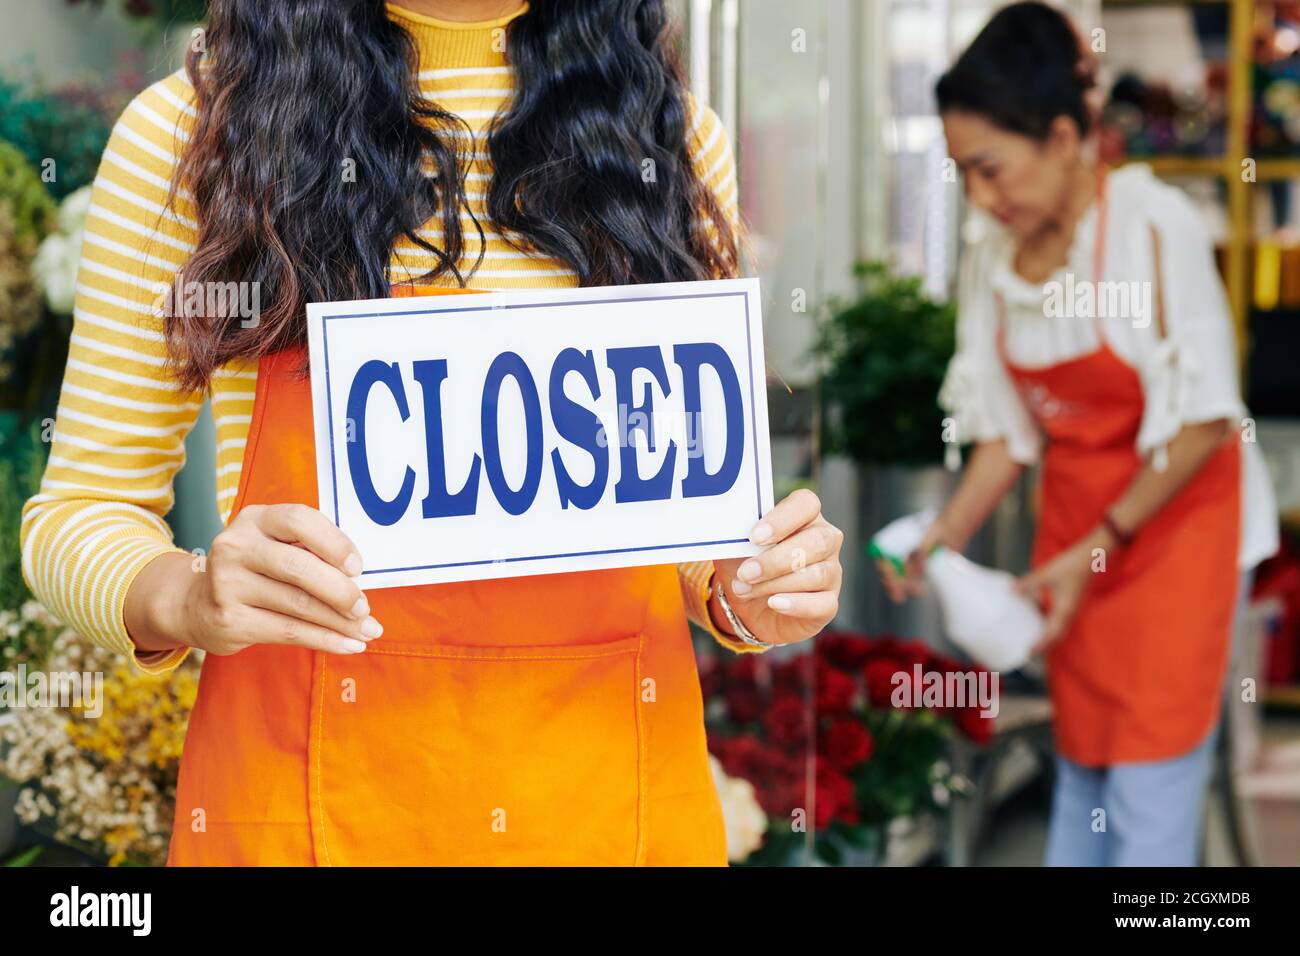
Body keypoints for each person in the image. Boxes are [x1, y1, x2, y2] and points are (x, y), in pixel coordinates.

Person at [19, 0, 844, 866]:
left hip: (617, 811)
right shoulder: (193, 132)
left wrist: (749, 589)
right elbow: (80, 512)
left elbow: (681, 532)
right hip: (293, 808)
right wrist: (185, 596)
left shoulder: (666, 137)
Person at [880, 1, 1277, 866]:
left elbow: (1205, 419)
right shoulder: (995, 256)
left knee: (1148, 786)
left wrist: (1102, 541)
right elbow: (1005, 436)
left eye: (993, 169)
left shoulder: (1150, 228)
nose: (982, 199)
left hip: (1175, 534)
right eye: (963, 175)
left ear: (1065, 137)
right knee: (1086, 766)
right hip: (1079, 536)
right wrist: (943, 536)